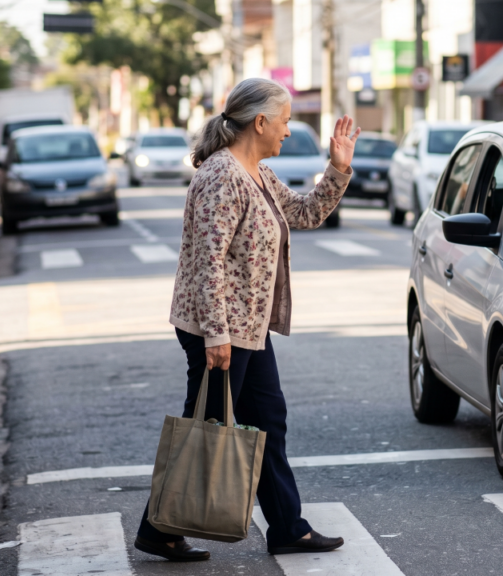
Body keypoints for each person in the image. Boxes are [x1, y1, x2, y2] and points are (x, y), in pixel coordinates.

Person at [133, 78, 360, 563]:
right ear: (259, 122)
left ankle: (286, 527)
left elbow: (304, 212)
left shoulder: (254, 171)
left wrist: (337, 169)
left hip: (247, 328)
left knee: (266, 421)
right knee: (210, 423)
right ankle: (158, 527)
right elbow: (206, 262)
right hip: (219, 329)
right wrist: (217, 334)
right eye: (284, 121)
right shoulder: (221, 175)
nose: (288, 131)